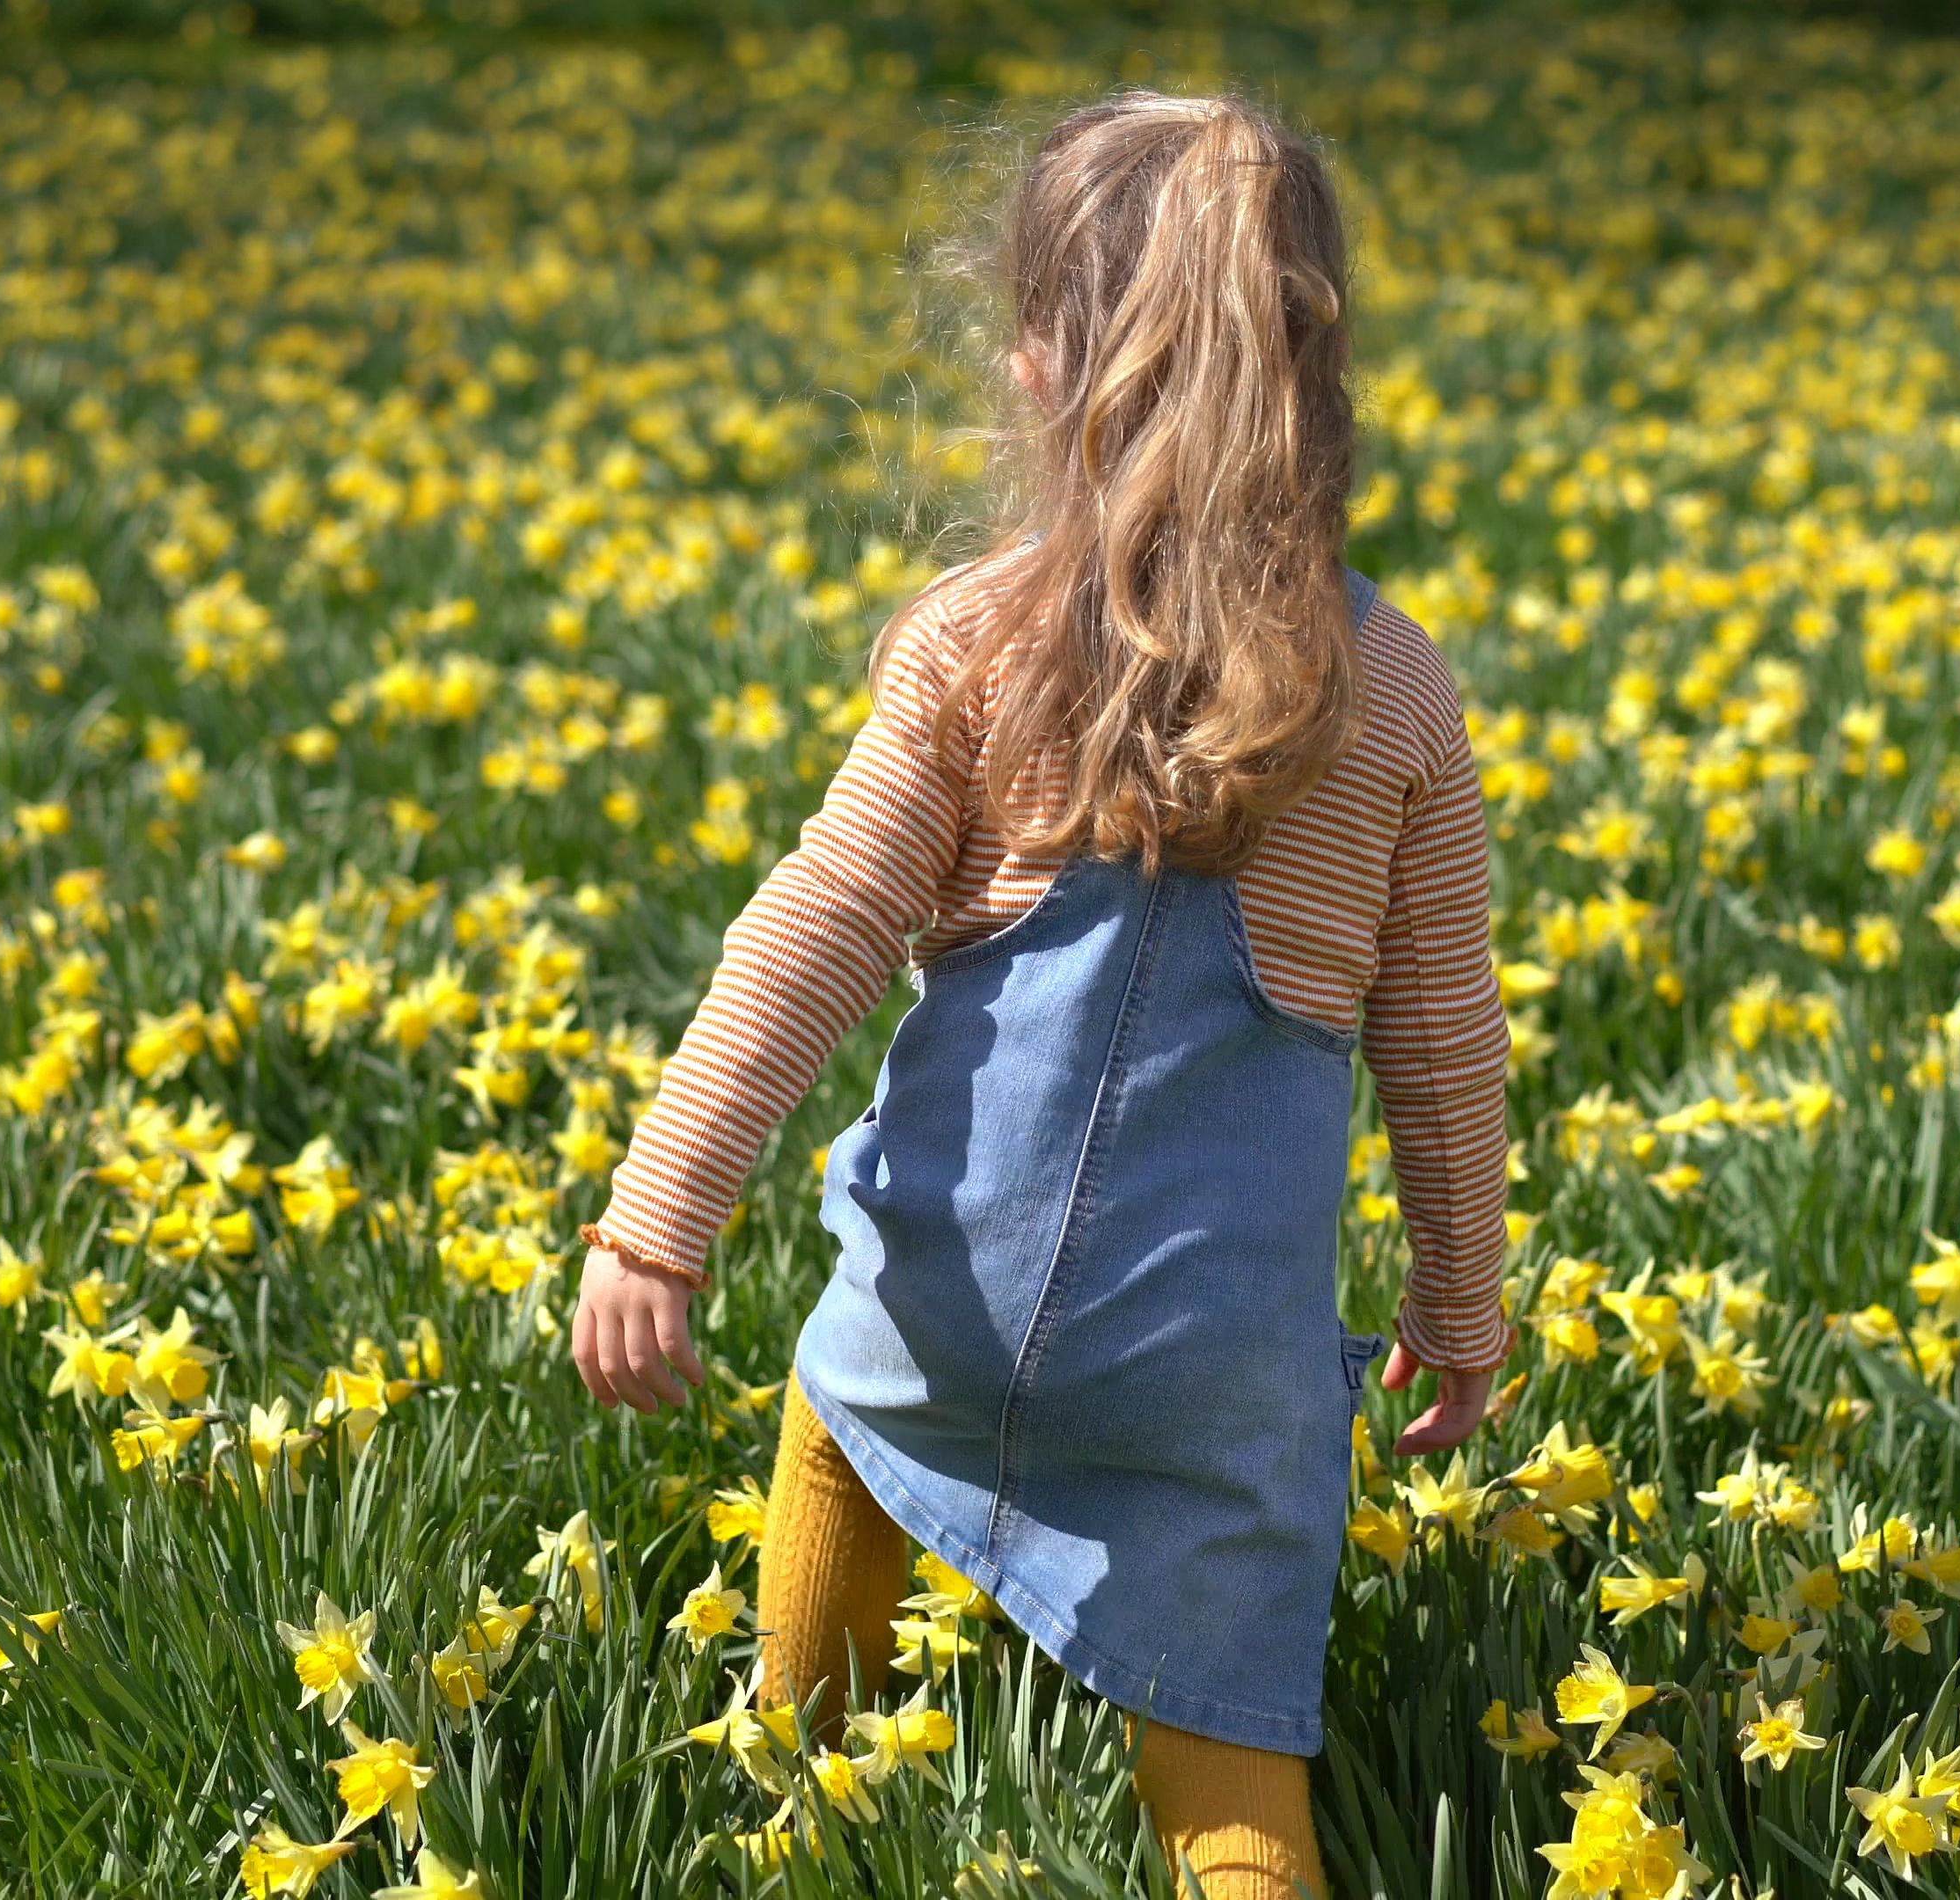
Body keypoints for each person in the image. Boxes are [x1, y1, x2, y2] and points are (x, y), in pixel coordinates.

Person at [567, 87, 1510, 1900]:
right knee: (1228, 1730)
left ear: (1034, 368)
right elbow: (1445, 1044)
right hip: (1207, 1359)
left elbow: (818, 921)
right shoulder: (1397, 694)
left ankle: (799, 1765)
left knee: (843, 1416)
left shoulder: (975, 645)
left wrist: (658, 1219)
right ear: (1318, 381)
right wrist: (1461, 1304)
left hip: (953, 1300)